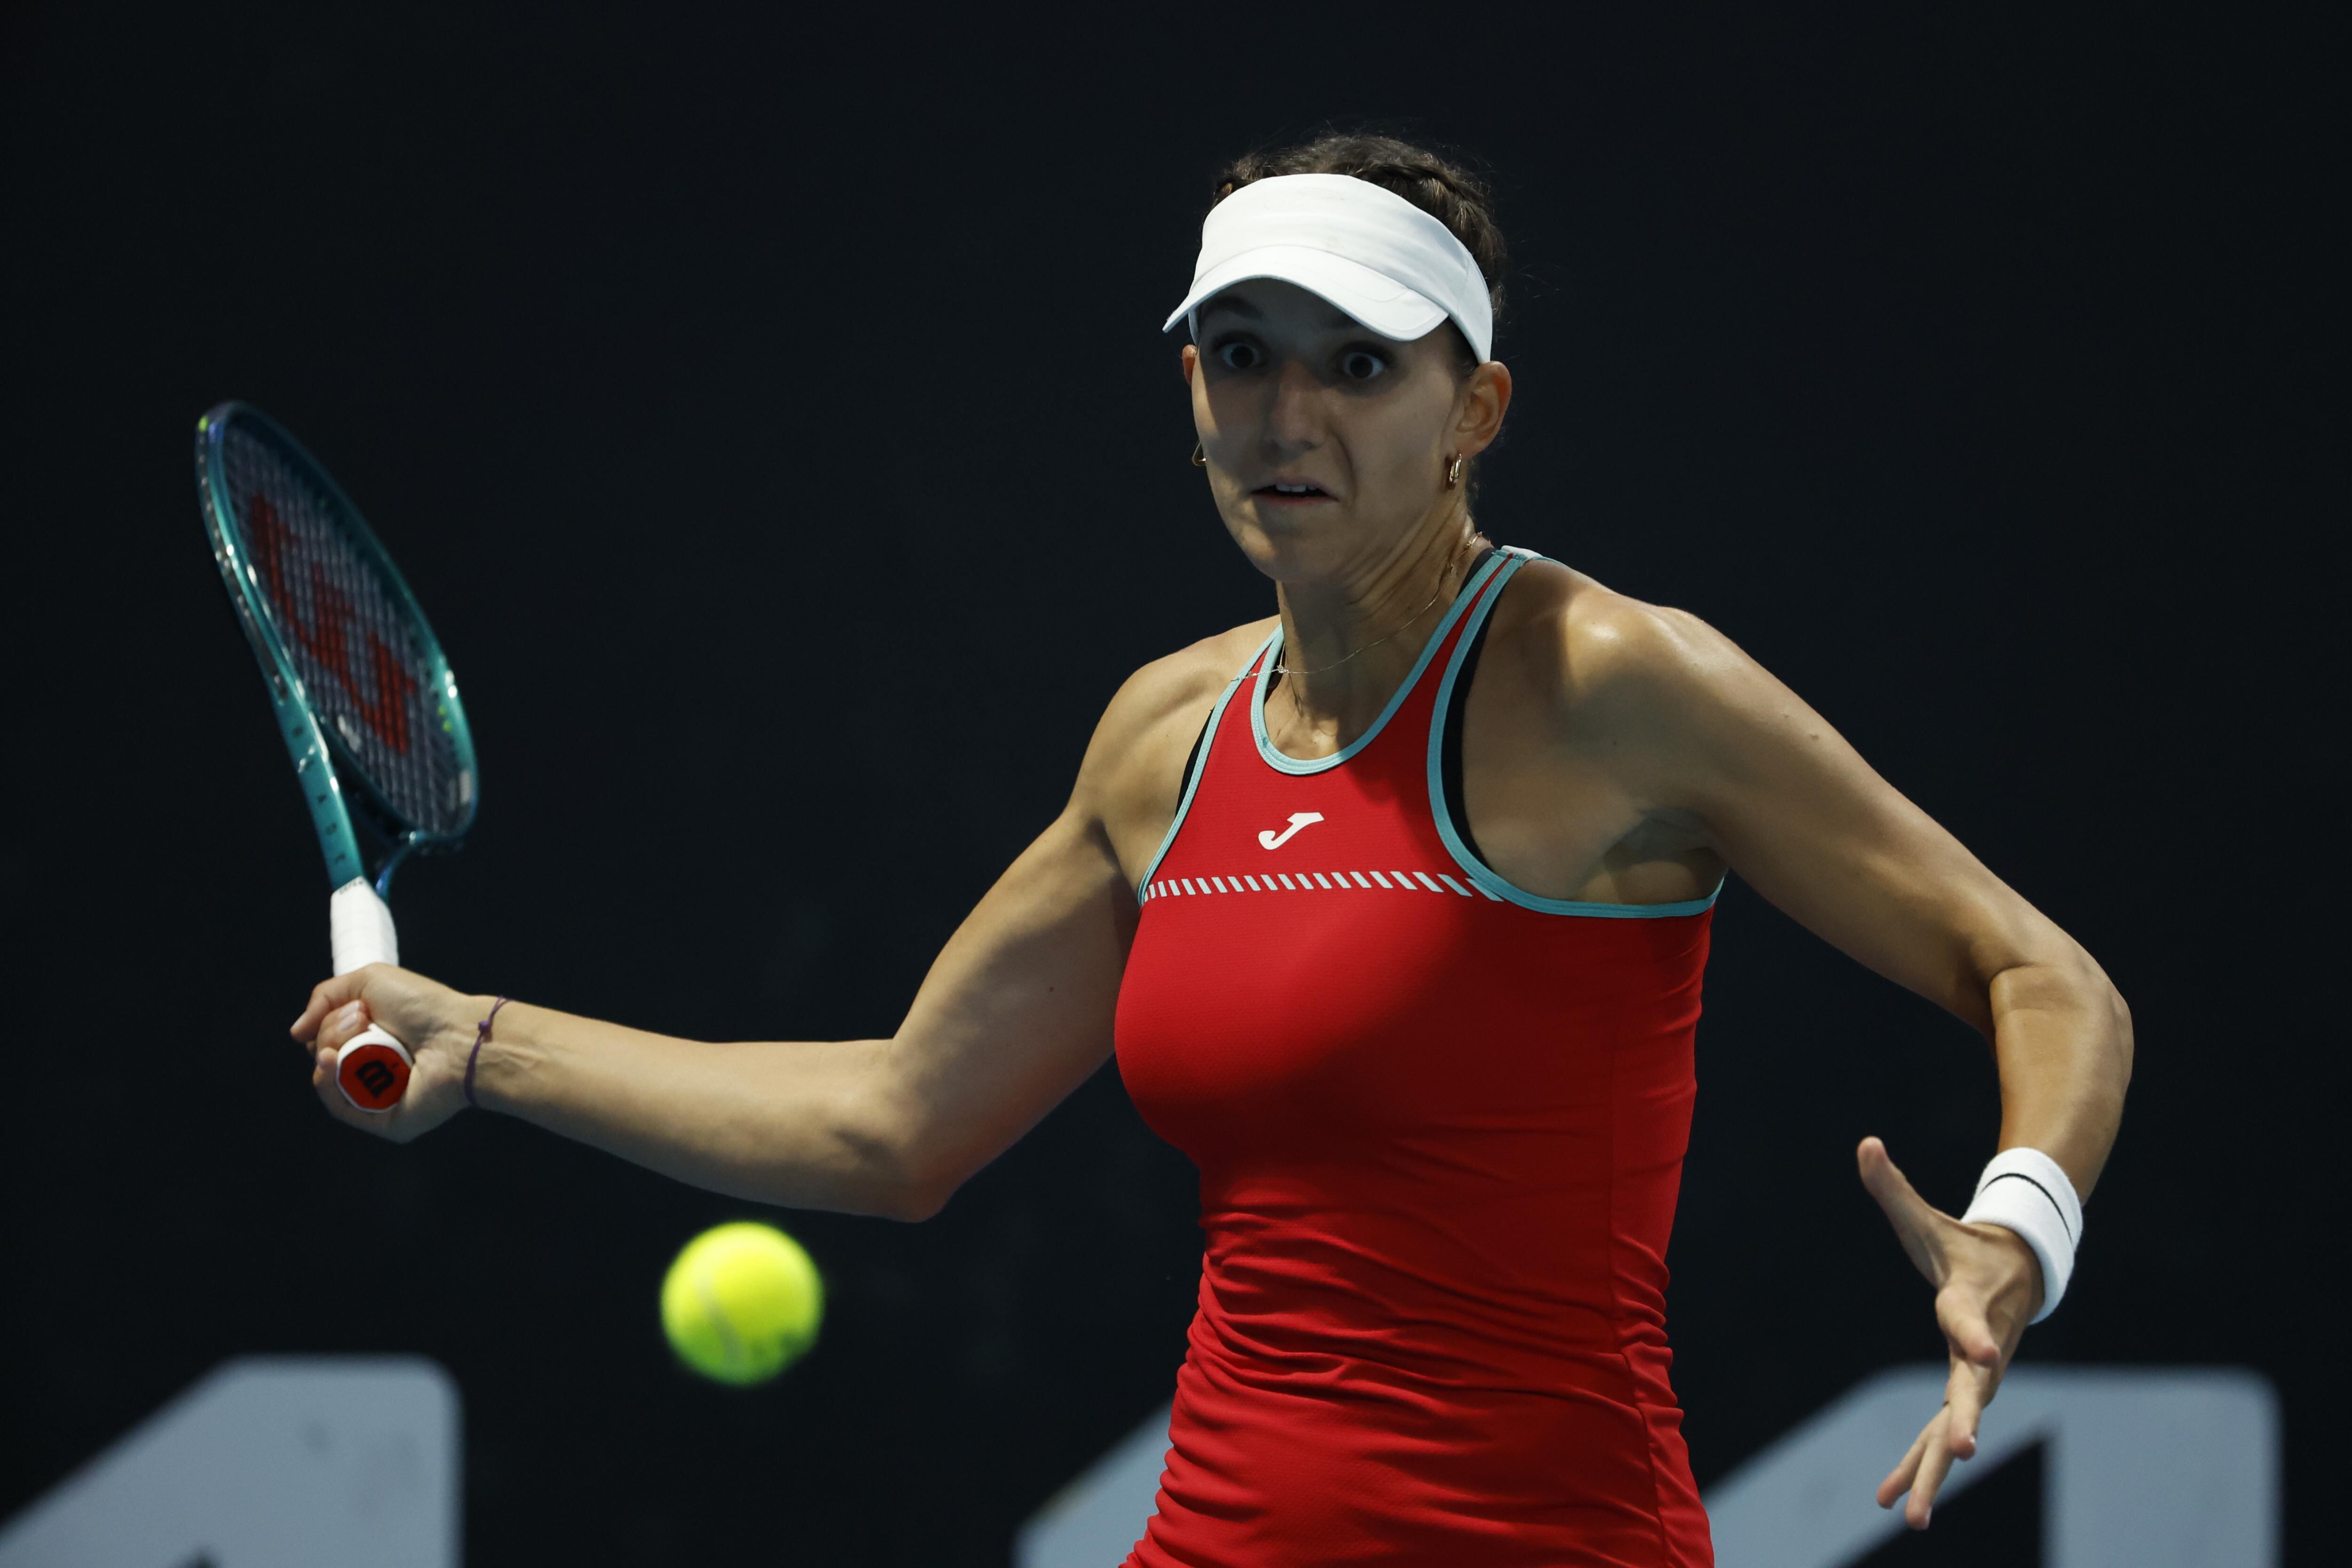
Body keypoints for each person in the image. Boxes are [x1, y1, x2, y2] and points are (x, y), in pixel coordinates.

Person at [293, 134, 2131, 1565]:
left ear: (1473, 409)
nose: (1284, 415)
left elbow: (2033, 970)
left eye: (1356, 364)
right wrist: (482, 1045)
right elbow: (899, 1124)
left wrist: (2015, 1228)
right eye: (1239, 356)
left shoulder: (1608, 685)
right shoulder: (1165, 739)